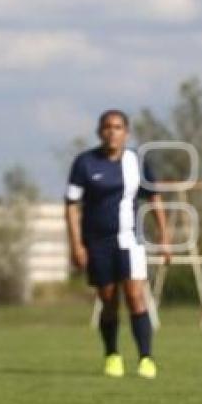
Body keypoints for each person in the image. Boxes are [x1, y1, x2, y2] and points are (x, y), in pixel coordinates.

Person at [65, 110, 171, 379]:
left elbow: (154, 199)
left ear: (126, 132)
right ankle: (112, 354)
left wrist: (164, 237)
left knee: (135, 296)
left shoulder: (136, 161)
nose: (112, 131)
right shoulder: (85, 163)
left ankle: (146, 358)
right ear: (100, 131)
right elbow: (71, 205)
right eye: (107, 127)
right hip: (97, 242)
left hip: (130, 240)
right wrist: (76, 245)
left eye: (118, 127)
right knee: (108, 301)